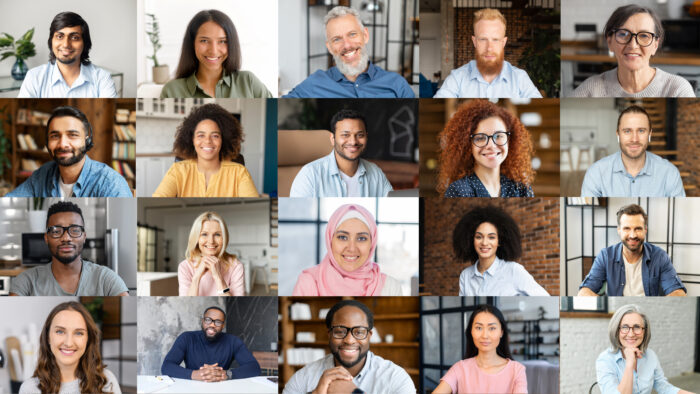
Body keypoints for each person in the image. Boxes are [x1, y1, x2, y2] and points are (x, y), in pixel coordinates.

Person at [283, 300, 415, 394]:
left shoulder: (396, 377)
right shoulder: (303, 377)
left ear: (369, 335)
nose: (349, 340)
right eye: (340, 331)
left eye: (359, 332)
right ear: (329, 334)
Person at [283, 6, 414, 98]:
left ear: (365, 35)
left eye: (352, 34)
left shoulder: (397, 84)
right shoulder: (314, 83)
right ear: (329, 47)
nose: (347, 45)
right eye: (337, 39)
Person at [6, 106, 131, 197]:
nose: (62, 144)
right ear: (47, 142)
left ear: (86, 140)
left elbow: (122, 230)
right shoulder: (42, 175)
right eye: (55, 136)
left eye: (72, 135)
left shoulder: (110, 183)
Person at [572, 5, 694, 97]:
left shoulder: (678, 90)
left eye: (644, 36)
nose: (633, 45)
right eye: (623, 34)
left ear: (655, 46)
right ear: (610, 42)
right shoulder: (591, 89)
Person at [10, 201, 129, 296]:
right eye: (56, 231)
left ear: (84, 236)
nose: (66, 238)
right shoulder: (26, 282)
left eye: (75, 230)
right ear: (46, 238)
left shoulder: (106, 279)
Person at [292, 204, 402, 296]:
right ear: (330, 239)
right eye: (342, 237)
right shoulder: (309, 281)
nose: (352, 248)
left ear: (372, 243)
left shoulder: (390, 287)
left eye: (361, 238)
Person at [578, 204, 686, 296]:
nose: (633, 235)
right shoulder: (606, 256)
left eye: (638, 228)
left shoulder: (659, 256)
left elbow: (678, 292)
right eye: (627, 228)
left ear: (645, 230)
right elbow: (585, 291)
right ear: (619, 230)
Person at [152, 103, 259, 197]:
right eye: (201, 135)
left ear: (223, 140)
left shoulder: (239, 173)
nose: (208, 141)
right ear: (192, 140)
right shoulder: (178, 170)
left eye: (215, 136)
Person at [160, 9, 272, 98]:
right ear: (192, 43)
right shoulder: (171, 90)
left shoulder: (248, 82)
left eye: (222, 41)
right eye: (204, 41)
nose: (213, 50)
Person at [433, 8, 541, 99]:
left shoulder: (520, 78)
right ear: (475, 42)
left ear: (503, 42)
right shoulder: (457, 78)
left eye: (495, 39)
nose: (489, 48)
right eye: (483, 39)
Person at [581, 105, 685, 197]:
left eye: (641, 131)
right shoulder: (596, 173)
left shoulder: (669, 173)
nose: (634, 139)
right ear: (618, 135)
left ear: (649, 134)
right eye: (627, 131)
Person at [438, 100, 535, 197]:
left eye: (498, 136)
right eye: (480, 138)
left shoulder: (521, 189)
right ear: (467, 144)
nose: (491, 145)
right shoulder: (459, 191)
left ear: (510, 140)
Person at [19, 301, 121, 394]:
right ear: (48, 337)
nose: (68, 343)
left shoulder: (106, 381)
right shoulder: (30, 389)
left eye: (78, 333)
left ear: (88, 339)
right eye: (60, 331)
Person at [290, 109, 393, 197]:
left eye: (360, 135)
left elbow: (392, 208)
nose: (353, 142)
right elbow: (297, 214)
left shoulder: (375, 172)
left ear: (366, 137)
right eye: (345, 135)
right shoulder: (310, 174)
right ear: (332, 139)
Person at [596, 304, 694, 394]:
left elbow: (663, 386)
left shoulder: (650, 355)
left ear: (645, 331)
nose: (631, 334)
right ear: (616, 330)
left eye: (637, 327)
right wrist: (630, 364)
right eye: (625, 327)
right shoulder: (605, 360)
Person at [454, 205, 549, 296]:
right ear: (471, 240)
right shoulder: (465, 276)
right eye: (479, 237)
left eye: (491, 237)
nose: (484, 242)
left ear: (499, 241)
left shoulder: (514, 271)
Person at [18, 12, 117, 98]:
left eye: (74, 37)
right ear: (51, 41)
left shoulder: (102, 78)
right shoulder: (34, 77)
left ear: (85, 43)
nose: (66, 44)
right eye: (60, 36)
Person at [433, 305, 527, 394]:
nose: (485, 335)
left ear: (501, 332)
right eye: (479, 328)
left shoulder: (517, 370)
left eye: (492, 328)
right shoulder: (460, 368)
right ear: (471, 331)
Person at [161, 306, 261, 381]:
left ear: (223, 325)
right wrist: (195, 374)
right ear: (202, 321)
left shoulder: (233, 341)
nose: (212, 325)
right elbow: (166, 366)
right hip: (191, 388)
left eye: (218, 322)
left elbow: (254, 368)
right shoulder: (187, 338)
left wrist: (227, 374)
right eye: (208, 320)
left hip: (221, 388)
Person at [179, 212, 245, 296]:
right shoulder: (185, 267)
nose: (211, 241)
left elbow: (234, 306)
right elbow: (187, 306)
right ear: (196, 238)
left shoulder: (236, 266)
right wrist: (196, 278)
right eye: (204, 234)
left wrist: (218, 277)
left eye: (217, 234)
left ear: (224, 238)